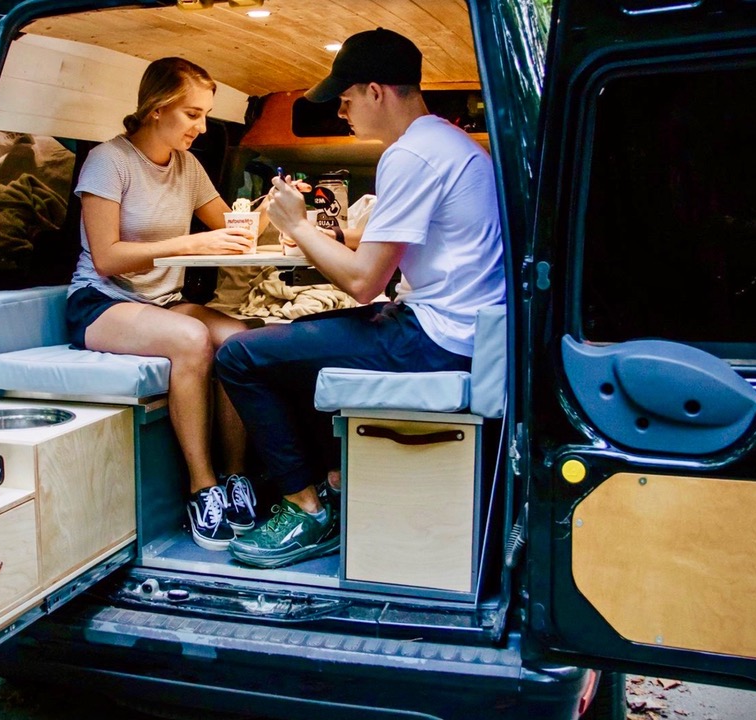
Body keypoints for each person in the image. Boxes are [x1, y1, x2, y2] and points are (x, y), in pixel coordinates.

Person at [214, 28, 507, 569]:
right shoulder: (445, 142)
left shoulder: (412, 155)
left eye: (345, 100)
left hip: (437, 339)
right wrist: (317, 231)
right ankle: (334, 478)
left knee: (238, 354)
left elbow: (364, 281)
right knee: (297, 345)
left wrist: (297, 226)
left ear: (376, 91)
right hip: (460, 329)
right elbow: (380, 252)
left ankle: (306, 509)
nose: (342, 112)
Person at [66, 57, 257, 551]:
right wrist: (191, 245)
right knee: (191, 339)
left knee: (240, 340)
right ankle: (202, 487)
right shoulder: (109, 161)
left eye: (206, 115)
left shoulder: (187, 166)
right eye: (192, 114)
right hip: (101, 301)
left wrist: (276, 212)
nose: (202, 126)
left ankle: (238, 477)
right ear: (156, 108)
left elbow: (231, 229)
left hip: (162, 300)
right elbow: (107, 258)